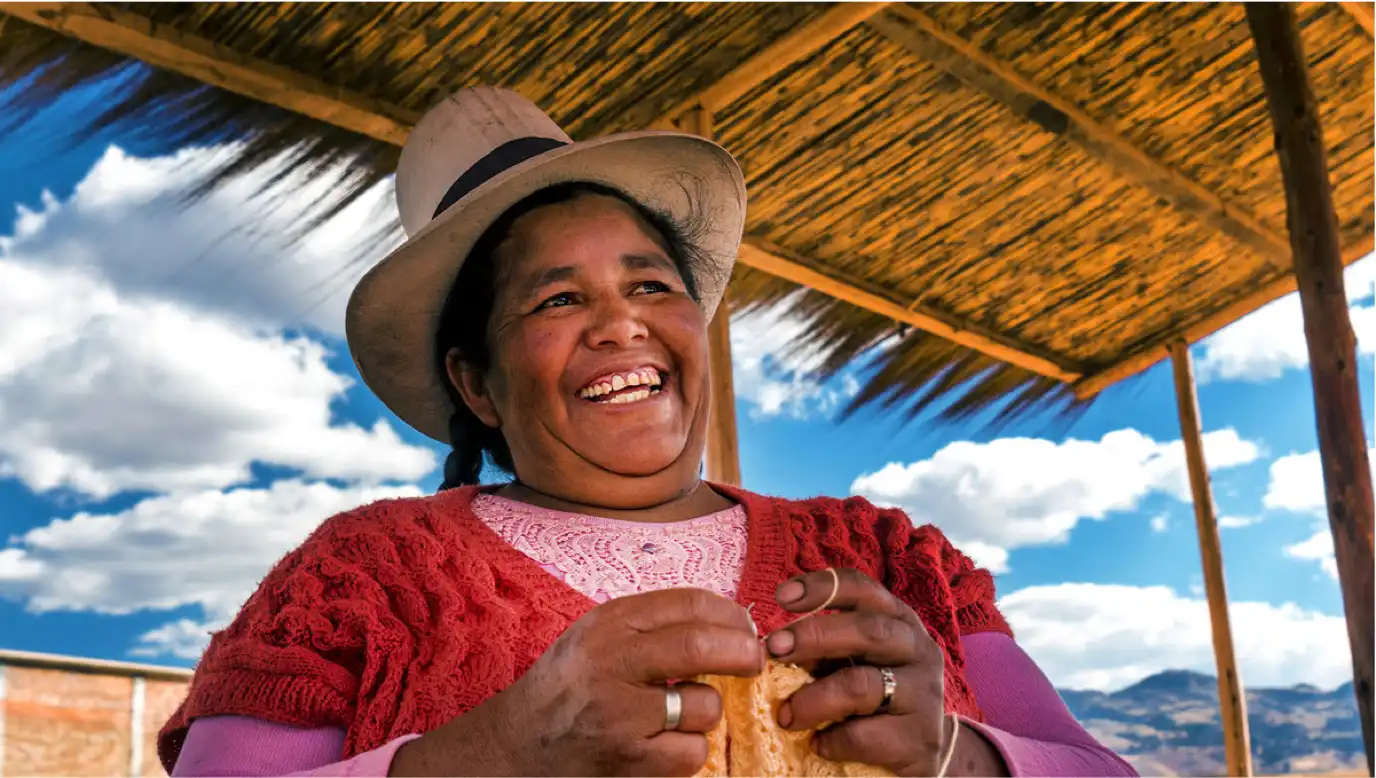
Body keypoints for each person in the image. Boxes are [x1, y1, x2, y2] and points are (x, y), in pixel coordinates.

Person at [158, 87, 1137, 778]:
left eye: (650, 283)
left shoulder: (888, 557)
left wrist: (956, 756)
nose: (620, 321)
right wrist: (489, 756)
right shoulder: (355, 578)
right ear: (477, 382)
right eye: (555, 297)